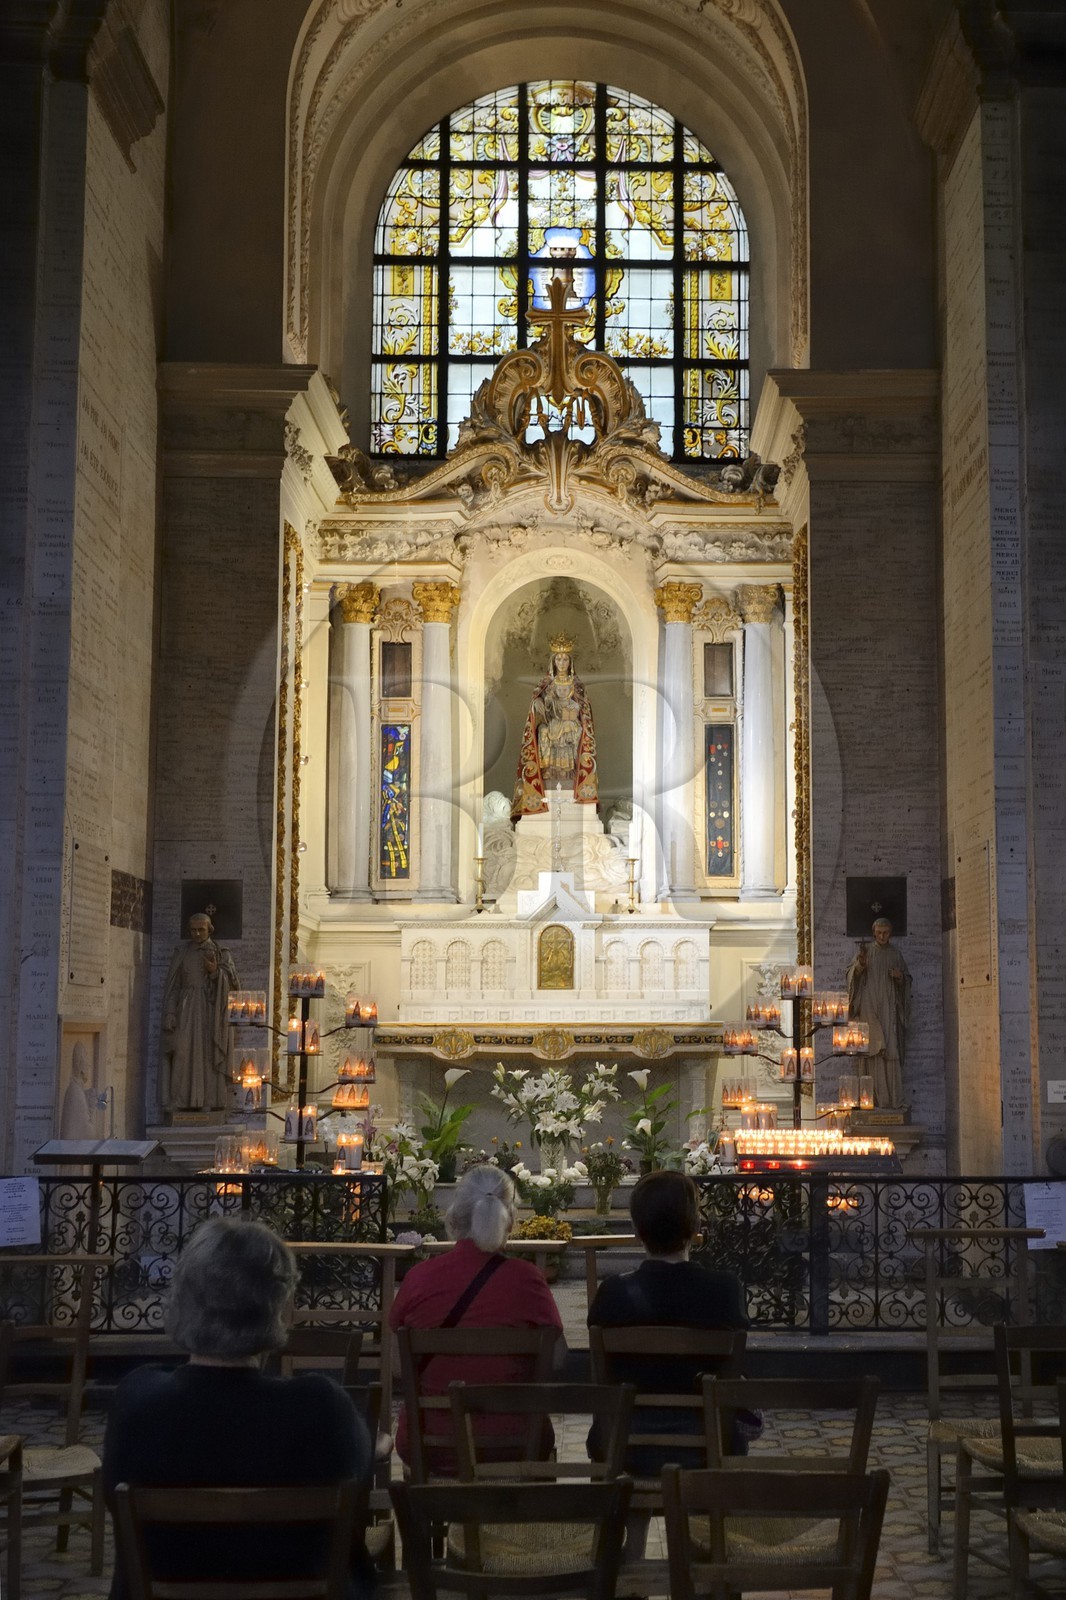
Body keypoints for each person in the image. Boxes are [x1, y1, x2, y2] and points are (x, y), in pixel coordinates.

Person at [102, 1218, 373, 1599]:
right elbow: (358, 1477)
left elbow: (112, 1498)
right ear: (278, 1306)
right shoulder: (321, 1408)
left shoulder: (137, 1400)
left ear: (182, 1299)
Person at [389, 1163, 564, 1471]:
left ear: (457, 1214)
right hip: (515, 1445)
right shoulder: (528, 1280)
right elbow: (558, 1360)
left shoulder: (420, 1278)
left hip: (431, 1442)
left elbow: (395, 1365)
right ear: (508, 1219)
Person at [587, 1169, 749, 1475]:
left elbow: (603, 1382)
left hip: (623, 1445)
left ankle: (630, 1520)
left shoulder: (612, 1292)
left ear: (636, 1228)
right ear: (695, 1226)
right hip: (708, 1442)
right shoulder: (725, 1289)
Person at [511, 634, 598, 819]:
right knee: (542, 732)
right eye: (558, 658)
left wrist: (575, 710)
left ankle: (569, 772)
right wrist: (539, 705)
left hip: (570, 723)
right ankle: (548, 771)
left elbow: (585, 711)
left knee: (575, 729)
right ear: (553, 661)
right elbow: (537, 709)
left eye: (565, 658)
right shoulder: (545, 686)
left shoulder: (578, 686)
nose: (562, 662)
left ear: (570, 662)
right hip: (552, 723)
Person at [160, 912, 239, 1111]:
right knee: (182, 1052)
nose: (196, 934)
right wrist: (170, 1013)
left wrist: (215, 972)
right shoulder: (182, 953)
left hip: (211, 1011)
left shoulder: (221, 953)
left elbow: (234, 986)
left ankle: (209, 1101)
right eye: (193, 930)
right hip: (185, 1009)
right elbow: (173, 987)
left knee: (208, 1054)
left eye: (201, 930)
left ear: (209, 929)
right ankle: (179, 1100)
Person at [846, 916, 912, 1107]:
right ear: (874, 933)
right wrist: (860, 966)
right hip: (869, 1004)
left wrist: (900, 978)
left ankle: (892, 1101)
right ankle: (872, 1100)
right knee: (872, 1048)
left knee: (890, 1049)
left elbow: (907, 979)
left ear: (890, 934)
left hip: (889, 1006)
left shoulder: (895, 954)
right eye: (879, 933)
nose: (882, 936)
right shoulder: (865, 952)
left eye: (886, 933)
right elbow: (851, 974)